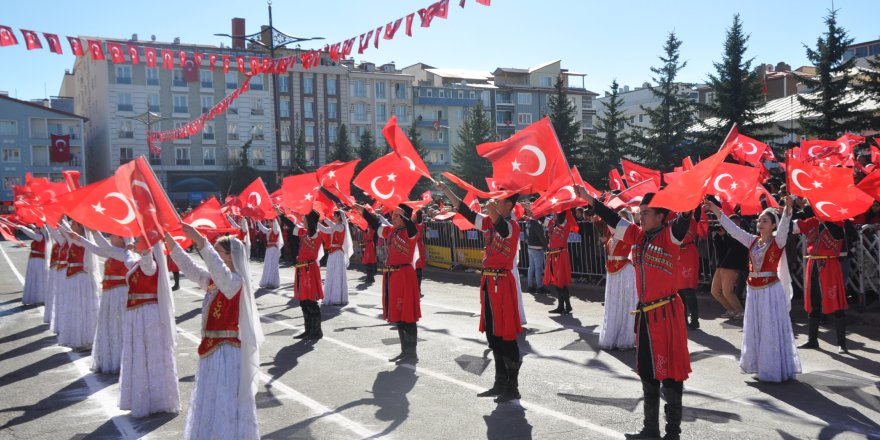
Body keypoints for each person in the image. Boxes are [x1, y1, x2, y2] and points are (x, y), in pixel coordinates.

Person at [577, 187, 691, 440]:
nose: (641, 217)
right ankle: (650, 429)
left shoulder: (671, 236)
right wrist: (588, 199)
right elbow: (612, 219)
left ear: (661, 216)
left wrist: (690, 198)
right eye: (640, 213)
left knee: (671, 375)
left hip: (667, 314)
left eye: (647, 213)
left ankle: (673, 433)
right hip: (645, 316)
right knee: (648, 374)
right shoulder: (637, 236)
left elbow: (684, 219)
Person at [165, 224, 263, 440]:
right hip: (210, 350)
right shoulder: (213, 282)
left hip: (227, 351)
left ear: (229, 257)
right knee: (210, 398)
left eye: (219, 252)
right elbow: (189, 267)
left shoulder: (235, 282)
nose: (214, 257)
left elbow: (216, 267)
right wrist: (168, 239)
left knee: (224, 398)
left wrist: (200, 241)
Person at [438, 181, 523, 403]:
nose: (494, 202)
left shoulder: (512, 226)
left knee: (506, 336)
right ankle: (499, 382)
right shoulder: (489, 221)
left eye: (500, 200)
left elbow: (502, 228)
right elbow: (465, 212)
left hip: (503, 284)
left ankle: (512, 387)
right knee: (493, 335)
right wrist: (447, 191)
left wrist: (492, 209)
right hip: (488, 283)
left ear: (509, 205)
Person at [704, 197, 801, 382]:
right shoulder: (752, 241)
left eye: (765, 220)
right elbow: (733, 230)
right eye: (759, 220)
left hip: (770, 291)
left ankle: (773, 368)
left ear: (773, 225)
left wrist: (788, 209)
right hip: (754, 292)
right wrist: (716, 210)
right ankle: (759, 364)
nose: (760, 223)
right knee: (756, 329)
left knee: (769, 329)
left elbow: (784, 227)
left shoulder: (777, 241)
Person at [118, 239, 180, 417]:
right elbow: (123, 255)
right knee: (140, 353)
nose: (136, 242)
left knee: (151, 353)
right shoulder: (137, 263)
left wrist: (143, 246)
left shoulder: (150, 265)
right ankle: (147, 397)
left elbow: (146, 260)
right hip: (138, 315)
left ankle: (158, 399)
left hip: (149, 314)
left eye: (140, 240)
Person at [356, 203, 421, 364]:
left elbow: (412, 226)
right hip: (392, 275)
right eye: (393, 214)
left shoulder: (411, 232)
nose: (392, 217)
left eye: (397, 215)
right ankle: (404, 351)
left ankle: (412, 354)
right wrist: (363, 211)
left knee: (408, 316)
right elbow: (375, 225)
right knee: (398, 315)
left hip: (405, 275)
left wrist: (404, 214)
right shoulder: (391, 231)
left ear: (405, 217)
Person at [66, 230, 130, 374]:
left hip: (120, 294)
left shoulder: (125, 254)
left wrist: (94, 232)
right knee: (110, 326)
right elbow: (96, 249)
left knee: (119, 326)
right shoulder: (113, 252)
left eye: (113, 234)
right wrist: (81, 238)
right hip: (110, 294)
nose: (111, 236)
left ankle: (122, 359)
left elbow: (105, 247)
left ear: (121, 238)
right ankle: (113, 357)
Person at [793, 208, 850, 353]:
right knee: (814, 303)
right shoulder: (812, 222)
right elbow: (794, 227)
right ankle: (812, 340)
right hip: (813, 265)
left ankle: (842, 343)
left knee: (836, 303)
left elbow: (838, 237)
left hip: (830, 266)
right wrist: (786, 211)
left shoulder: (837, 223)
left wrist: (826, 221)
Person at [277, 209, 325, 340]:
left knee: (311, 301)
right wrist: (281, 215)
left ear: (310, 221)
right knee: (303, 301)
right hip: (301, 269)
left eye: (305, 219)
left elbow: (313, 230)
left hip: (310, 270)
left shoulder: (316, 235)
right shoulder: (303, 233)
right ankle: (308, 329)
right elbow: (292, 226)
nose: (302, 221)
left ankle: (317, 331)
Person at [54, 221, 99, 349]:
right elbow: (64, 230)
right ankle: (78, 338)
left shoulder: (85, 241)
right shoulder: (72, 240)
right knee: (75, 307)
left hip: (82, 278)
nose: (71, 226)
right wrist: (57, 219)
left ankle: (87, 339)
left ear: (80, 227)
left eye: (74, 224)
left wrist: (60, 221)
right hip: (73, 279)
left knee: (83, 308)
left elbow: (68, 232)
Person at [597, 209, 637, 350]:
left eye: (623, 218)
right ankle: (611, 335)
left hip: (625, 272)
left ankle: (624, 337)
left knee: (625, 303)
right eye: (619, 217)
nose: (619, 220)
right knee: (613, 303)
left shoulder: (630, 235)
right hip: (612, 273)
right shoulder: (612, 236)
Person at [1, 219, 49, 305]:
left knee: (38, 279)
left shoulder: (41, 237)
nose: (36, 229)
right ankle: (35, 295)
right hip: (34, 260)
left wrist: (22, 228)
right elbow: (33, 230)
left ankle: (40, 296)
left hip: (39, 261)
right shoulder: (40, 235)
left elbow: (32, 233)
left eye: (38, 228)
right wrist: (29, 224)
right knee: (33, 278)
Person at [709, 214, 747, 320]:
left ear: (739, 223)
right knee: (715, 291)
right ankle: (731, 309)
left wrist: (725, 236)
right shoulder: (726, 233)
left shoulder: (743, 234)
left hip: (732, 266)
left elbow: (736, 248)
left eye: (733, 223)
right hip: (721, 265)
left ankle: (740, 310)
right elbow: (719, 249)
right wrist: (718, 236)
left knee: (727, 292)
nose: (731, 226)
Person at [319, 210, 353, 306]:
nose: (333, 217)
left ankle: (338, 298)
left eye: (335, 216)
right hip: (332, 252)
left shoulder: (341, 227)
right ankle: (330, 296)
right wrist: (316, 222)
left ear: (339, 217)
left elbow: (333, 226)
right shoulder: (335, 227)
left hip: (338, 253)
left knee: (337, 274)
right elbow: (325, 230)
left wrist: (323, 217)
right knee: (331, 273)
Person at [545, 210, 575, 314]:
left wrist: (560, 208)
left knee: (561, 281)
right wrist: (531, 208)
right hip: (553, 255)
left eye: (555, 214)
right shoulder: (553, 224)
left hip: (561, 255)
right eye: (553, 214)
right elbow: (541, 219)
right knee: (556, 281)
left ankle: (568, 306)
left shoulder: (564, 224)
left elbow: (562, 217)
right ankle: (561, 306)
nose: (553, 216)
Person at [676, 210, 702, 329]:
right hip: (677, 253)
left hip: (689, 254)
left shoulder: (691, 219)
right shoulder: (675, 219)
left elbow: (697, 211)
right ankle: (682, 320)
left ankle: (695, 320)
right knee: (679, 290)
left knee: (688, 289)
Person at [45, 225, 69, 332]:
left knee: (64, 298)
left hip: (66, 273)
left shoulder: (69, 242)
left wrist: (56, 221)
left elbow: (54, 231)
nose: (60, 233)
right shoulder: (61, 243)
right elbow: (54, 232)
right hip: (59, 271)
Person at [524, 208, 548, 294]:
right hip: (537, 248)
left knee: (531, 268)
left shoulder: (528, 222)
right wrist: (545, 246)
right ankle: (540, 287)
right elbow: (541, 236)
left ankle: (530, 285)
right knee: (538, 269)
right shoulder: (535, 223)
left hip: (530, 247)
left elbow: (526, 236)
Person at [256, 219, 284, 289]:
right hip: (269, 249)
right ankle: (267, 281)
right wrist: (258, 221)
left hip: (273, 250)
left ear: (273, 222)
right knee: (267, 265)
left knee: (273, 265)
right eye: (268, 222)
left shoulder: (276, 230)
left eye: (269, 222)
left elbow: (275, 227)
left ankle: (273, 282)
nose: (268, 223)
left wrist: (274, 219)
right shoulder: (269, 230)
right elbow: (263, 229)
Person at [414, 210, 427, 296]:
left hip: (415, 246)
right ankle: (418, 289)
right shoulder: (421, 224)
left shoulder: (414, 224)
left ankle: (417, 289)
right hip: (419, 245)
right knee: (418, 269)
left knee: (416, 269)